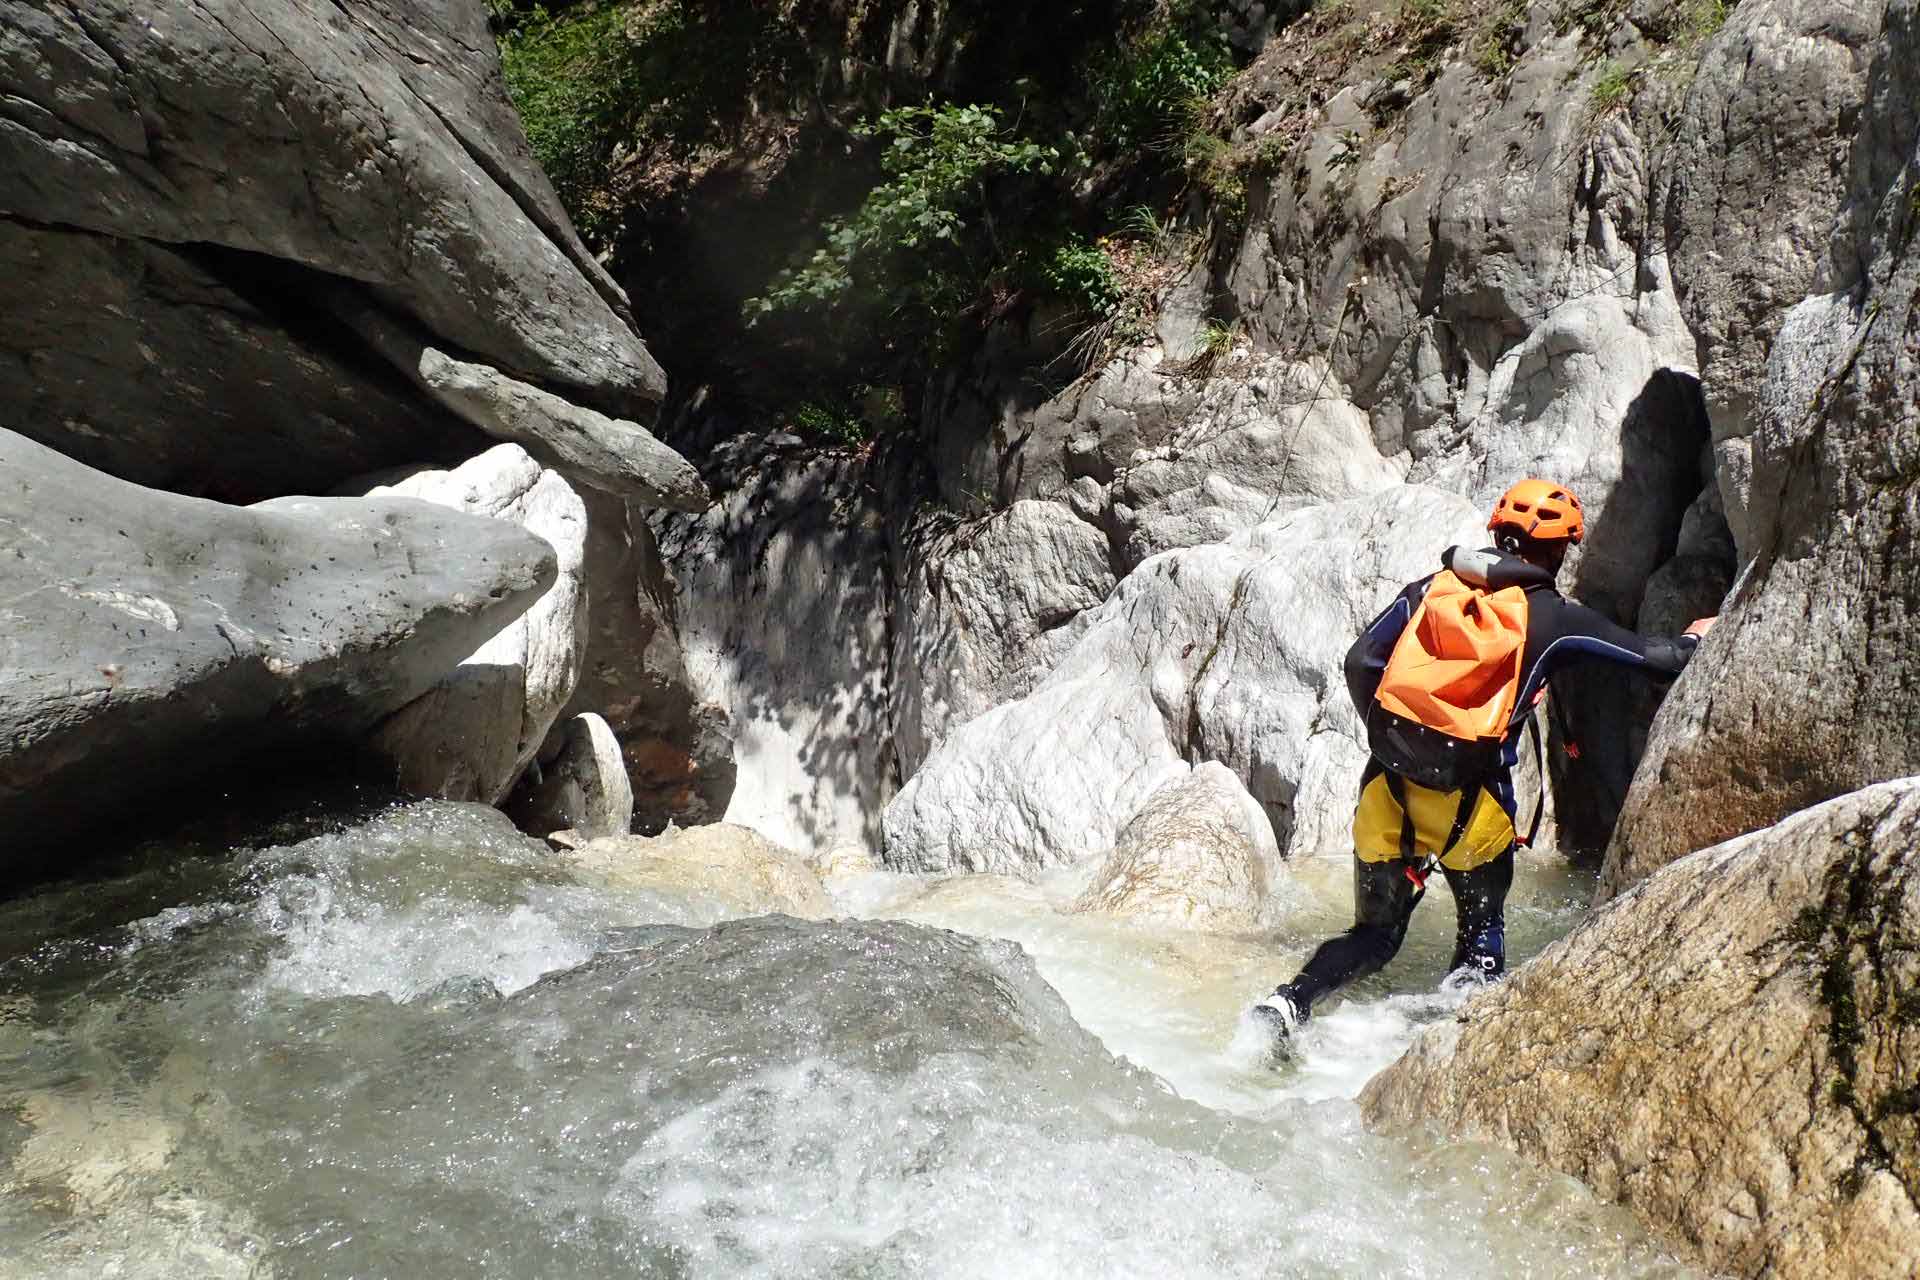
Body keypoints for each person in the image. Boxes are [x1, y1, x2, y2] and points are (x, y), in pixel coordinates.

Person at [1252, 478, 1715, 1052]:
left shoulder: (1429, 590)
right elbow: (1652, 658)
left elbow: (1360, 663)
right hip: (1474, 812)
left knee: (1374, 936)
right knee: (1479, 946)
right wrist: (1697, 639)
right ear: (1560, 550)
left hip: (1387, 794)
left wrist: (1396, 740)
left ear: (1496, 533)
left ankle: (1288, 1004)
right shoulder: (1551, 618)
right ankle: (1443, 1060)